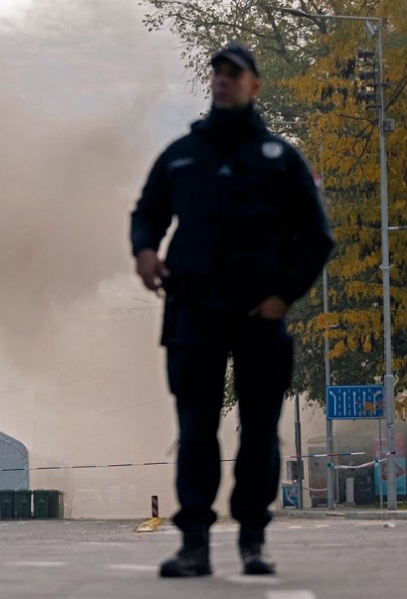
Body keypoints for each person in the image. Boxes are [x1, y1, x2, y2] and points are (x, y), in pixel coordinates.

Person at [130, 44, 334, 578]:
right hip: (193, 313)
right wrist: (145, 250)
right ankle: (194, 542)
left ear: (254, 86)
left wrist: (283, 295)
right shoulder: (183, 154)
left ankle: (252, 540)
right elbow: (147, 212)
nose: (223, 82)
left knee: (260, 432)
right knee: (195, 429)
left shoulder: (279, 159)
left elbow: (316, 238)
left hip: (258, 317)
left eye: (234, 75)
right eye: (217, 73)